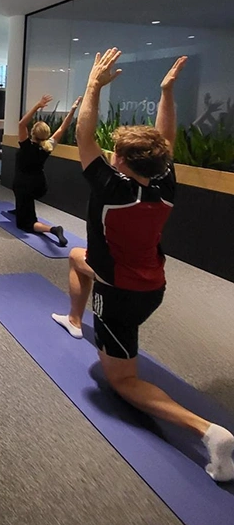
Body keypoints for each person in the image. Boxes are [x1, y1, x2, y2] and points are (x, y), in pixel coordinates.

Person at [51, 49, 234, 482]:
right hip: (151, 284)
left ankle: (208, 432)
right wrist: (167, 93)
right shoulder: (164, 183)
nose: (109, 153)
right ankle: (74, 318)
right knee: (77, 257)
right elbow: (165, 139)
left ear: (120, 162)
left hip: (120, 295)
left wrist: (93, 86)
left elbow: (83, 134)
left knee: (122, 380)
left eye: (115, 151)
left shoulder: (112, 189)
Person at [13, 94, 82, 246]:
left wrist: (38, 105)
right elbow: (63, 127)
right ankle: (20, 208)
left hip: (23, 186)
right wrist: (72, 110)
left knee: (25, 223)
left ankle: (53, 229)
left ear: (33, 133)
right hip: (40, 186)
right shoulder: (48, 146)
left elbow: (21, 124)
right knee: (24, 202)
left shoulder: (26, 146)